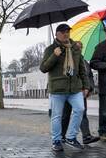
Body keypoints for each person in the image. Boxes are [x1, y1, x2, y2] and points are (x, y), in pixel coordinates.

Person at [39, 23, 90, 151]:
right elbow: (43, 68)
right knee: (57, 116)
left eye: (68, 32)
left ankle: (71, 137)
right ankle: (56, 140)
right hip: (58, 89)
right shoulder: (50, 49)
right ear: (57, 34)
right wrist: (54, 55)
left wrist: (86, 86)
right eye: (62, 32)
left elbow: (82, 69)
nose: (66, 34)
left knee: (80, 109)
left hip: (75, 88)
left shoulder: (75, 48)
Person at [60, 41, 100, 145]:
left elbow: (89, 76)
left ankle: (86, 136)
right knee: (65, 114)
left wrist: (88, 88)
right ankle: (62, 136)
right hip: (69, 91)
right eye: (77, 47)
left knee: (82, 114)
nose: (79, 48)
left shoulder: (84, 61)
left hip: (81, 92)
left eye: (80, 47)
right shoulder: (67, 59)